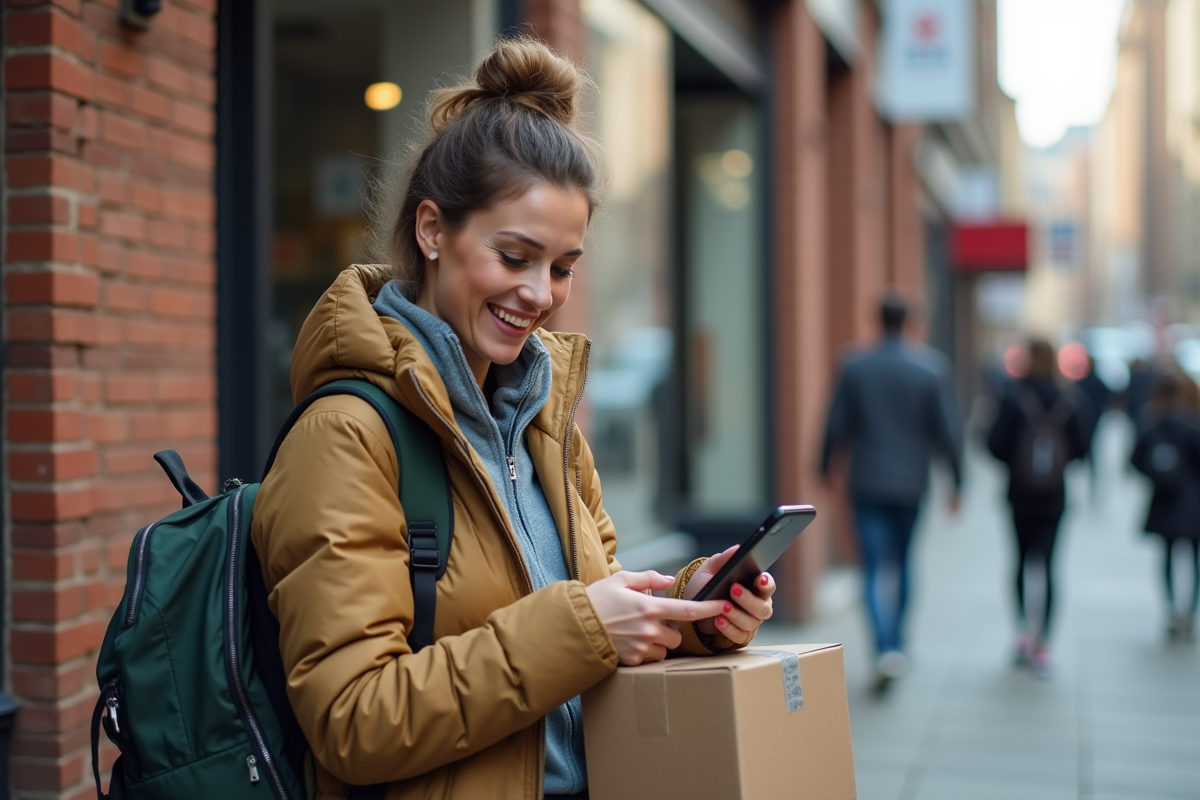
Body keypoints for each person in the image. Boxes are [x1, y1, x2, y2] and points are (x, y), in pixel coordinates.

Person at [251, 38, 776, 800]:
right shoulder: (346, 436)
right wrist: (582, 629)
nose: (540, 293)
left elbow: (590, 624)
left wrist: (695, 611)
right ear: (433, 232)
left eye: (563, 266)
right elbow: (352, 720)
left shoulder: (545, 430)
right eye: (515, 256)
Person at [820, 294, 963, 693]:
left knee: (869, 568)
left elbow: (834, 423)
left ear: (877, 321)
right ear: (911, 323)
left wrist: (824, 466)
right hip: (911, 484)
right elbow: (948, 432)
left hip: (866, 482)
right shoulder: (930, 368)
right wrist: (957, 482)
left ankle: (884, 647)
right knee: (902, 564)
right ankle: (897, 644)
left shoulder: (855, 365)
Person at [987, 339, 1087, 676]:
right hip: (1054, 497)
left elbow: (994, 445)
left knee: (1019, 561)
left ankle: (1021, 634)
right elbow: (1081, 448)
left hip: (1019, 494)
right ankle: (1044, 642)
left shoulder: (1013, 397)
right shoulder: (1069, 400)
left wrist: (1019, 463)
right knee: (1049, 566)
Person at [1130, 370, 1200, 642]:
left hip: (1164, 501)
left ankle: (1171, 610)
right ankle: (1188, 613)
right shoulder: (1194, 425)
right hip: (1194, 503)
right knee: (1193, 560)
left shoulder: (1152, 424)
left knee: (1168, 558)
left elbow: (1135, 461)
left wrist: (1159, 474)